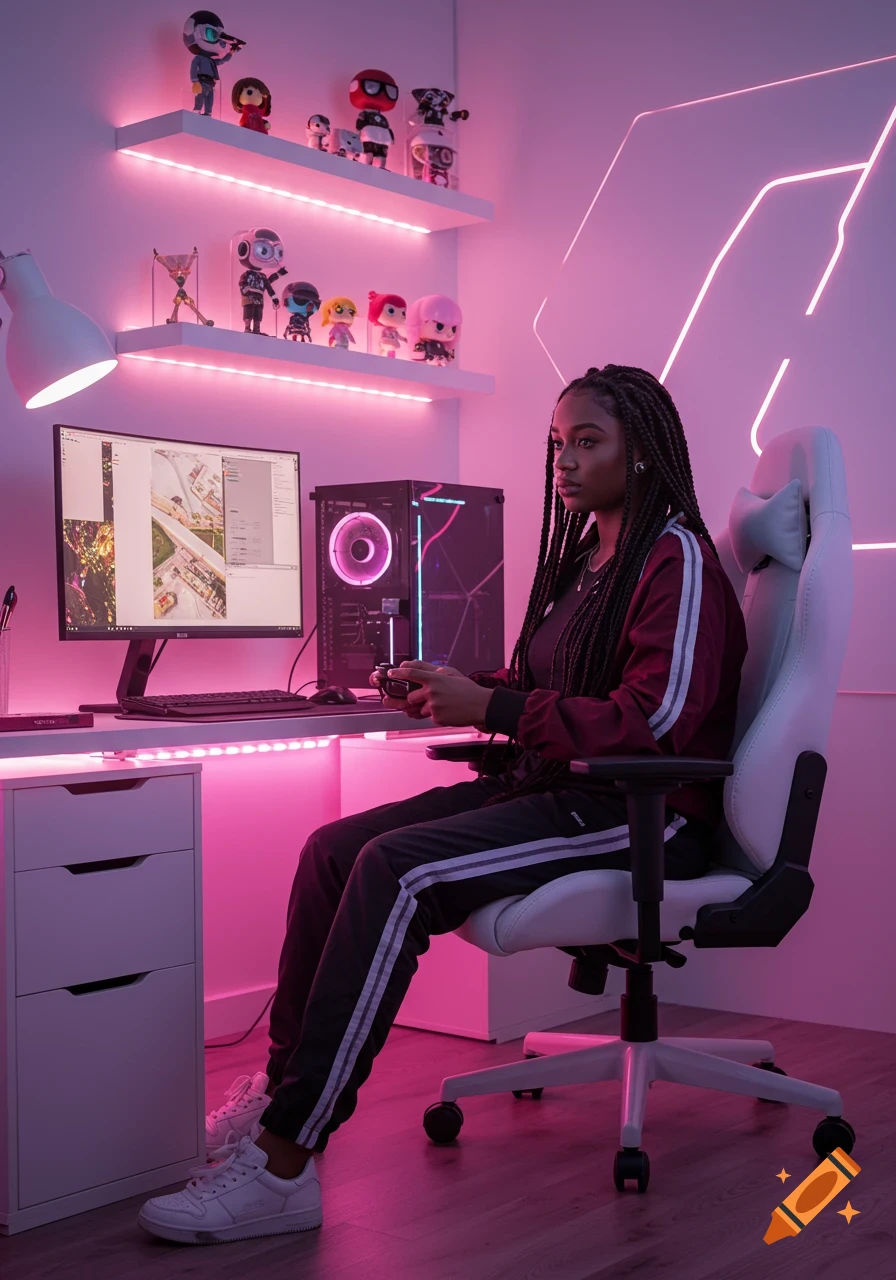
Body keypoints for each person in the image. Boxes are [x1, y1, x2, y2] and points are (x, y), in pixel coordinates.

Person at [138, 364, 748, 1244]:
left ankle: (283, 1165)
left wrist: (497, 710)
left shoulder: (676, 558)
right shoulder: (590, 560)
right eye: (557, 444)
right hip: (555, 790)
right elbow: (556, 683)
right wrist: (461, 685)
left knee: (398, 871)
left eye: (588, 442)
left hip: (638, 813)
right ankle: (278, 1097)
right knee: (333, 849)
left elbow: (650, 720)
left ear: (643, 452)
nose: (565, 464)